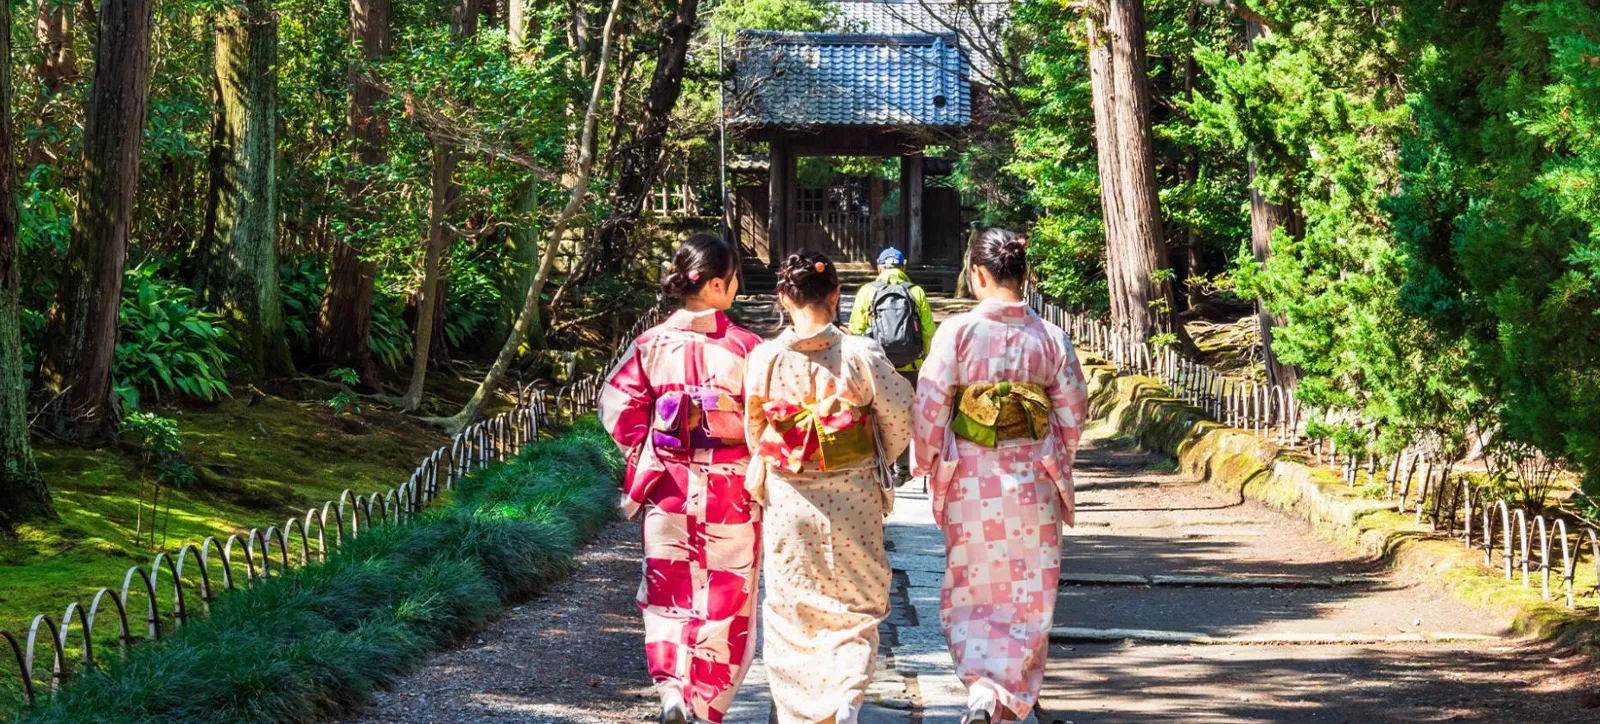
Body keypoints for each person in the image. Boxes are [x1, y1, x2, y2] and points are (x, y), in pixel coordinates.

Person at [910, 228, 1089, 724]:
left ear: (977, 275)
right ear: (1023, 274)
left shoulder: (957, 333)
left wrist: (926, 460)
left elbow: (930, 405)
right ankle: (1006, 701)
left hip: (971, 480)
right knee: (1030, 592)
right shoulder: (1050, 337)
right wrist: (1056, 456)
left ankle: (981, 692)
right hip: (1033, 481)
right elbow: (1073, 413)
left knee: (972, 586)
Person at [743, 250, 915, 724]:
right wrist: (873, 453)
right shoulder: (861, 354)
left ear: (783, 298)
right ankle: (846, 696)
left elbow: (756, 431)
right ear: (837, 296)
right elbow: (900, 415)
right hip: (853, 496)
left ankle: (801, 710)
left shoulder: (765, 358)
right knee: (855, 604)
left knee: (791, 607)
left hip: (790, 498)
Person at [598, 233, 763, 724]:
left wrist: (650, 446)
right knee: (726, 600)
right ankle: (703, 705)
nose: (736, 286)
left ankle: (671, 690)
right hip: (731, 492)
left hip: (669, 488)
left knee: (668, 596)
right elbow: (765, 421)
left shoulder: (650, 345)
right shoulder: (748, 348)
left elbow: (616, 406)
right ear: (715, 284)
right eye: (733, 278)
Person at [846, 246, 936, 483]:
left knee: (876, 414)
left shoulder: (867, 291)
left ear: (880, 268)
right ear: (903, 267)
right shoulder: (916, 292)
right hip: (911, 365)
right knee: (906, 416)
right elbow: (928, 331)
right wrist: (924, 359)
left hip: (877, 367)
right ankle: (902, 468)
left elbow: (855, 329)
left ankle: (881, 464)